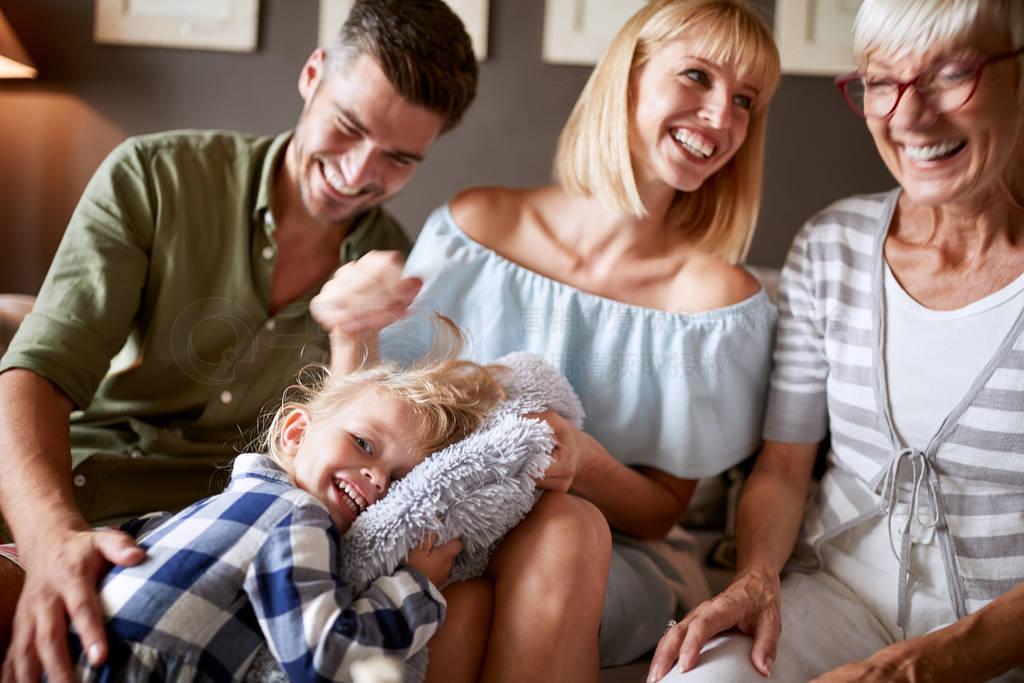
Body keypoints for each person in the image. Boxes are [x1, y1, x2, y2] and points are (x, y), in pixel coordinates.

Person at [0, 0, 477, 679]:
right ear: (313, 74)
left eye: (399, 159)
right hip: (80, 498)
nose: (359, 173)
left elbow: (350, 445)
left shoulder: (391, 271)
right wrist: (50, 540)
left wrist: (352, 337)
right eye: (347, 127)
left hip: (234, 552)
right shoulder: (156, 176)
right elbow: (37, 369)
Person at [315, 1, 782, 679]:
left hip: (609, 553)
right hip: (451, 527)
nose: (722, 117)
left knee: (567, 526)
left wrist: (585, 462)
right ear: (627, 76)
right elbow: (376, 410)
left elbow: (660, 512)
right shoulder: (479, 224)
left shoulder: (720, 301)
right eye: (697, 77)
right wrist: (348, 333)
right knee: (461, 599)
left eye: (745, 99)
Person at [648, 0, 1024, 681]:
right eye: (882, 81)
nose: (909, 116)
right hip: (838, 596)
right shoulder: (832, 246)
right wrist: (755, 581)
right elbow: (785, 467)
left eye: (951, 74)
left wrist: (910, 668)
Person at [64, 316, 503, 680]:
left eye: (400, 479)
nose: (377, 477)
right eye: (364, 444)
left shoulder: (229, 507)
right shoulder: (297, 514)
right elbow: (326, 661)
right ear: (295, 432)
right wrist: (414, 586)